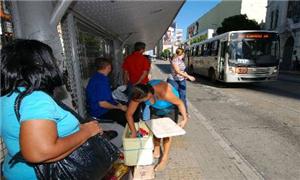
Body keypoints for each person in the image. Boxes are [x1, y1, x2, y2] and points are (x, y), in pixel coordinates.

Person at [0, 39, 102, 179]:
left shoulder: (7, 96)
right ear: (39, 65)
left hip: (15, 172)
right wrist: (87, 131)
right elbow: (40, 152)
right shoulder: (35, 99)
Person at [125, 80, 188, 172]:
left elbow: (180, 103)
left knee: (167, 133)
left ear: (149, 95)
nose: (138, 103)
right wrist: (133, 131)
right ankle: (157, 148)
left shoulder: (164, 92)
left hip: (170, 107)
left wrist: (185, 119)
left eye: (141, 101)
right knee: (154, 128)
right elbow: (129, 114)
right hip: (156, 107)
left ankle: (164, 158)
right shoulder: (139, 94)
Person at [86, 58, 127, 127]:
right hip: (100, 112)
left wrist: (118, 104)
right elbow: (102, 104)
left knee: (124, 105)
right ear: (109, 67)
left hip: (97, 109)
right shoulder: (102, 81)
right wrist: (119, 108)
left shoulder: (95, 77)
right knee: (126, 114)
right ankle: (128, 134)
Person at [167, 47, 195, 114]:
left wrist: (185, 74)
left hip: (181, 79)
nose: (184, 54)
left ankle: (184, 112)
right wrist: (188, 76)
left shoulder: (181, 60)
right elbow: (177, 71)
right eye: (184, 53)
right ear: (182, 53)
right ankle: (173, 111)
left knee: (183, 96)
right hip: (174, 80)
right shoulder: (175, 60)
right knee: (174, 95)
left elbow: (182, 70)